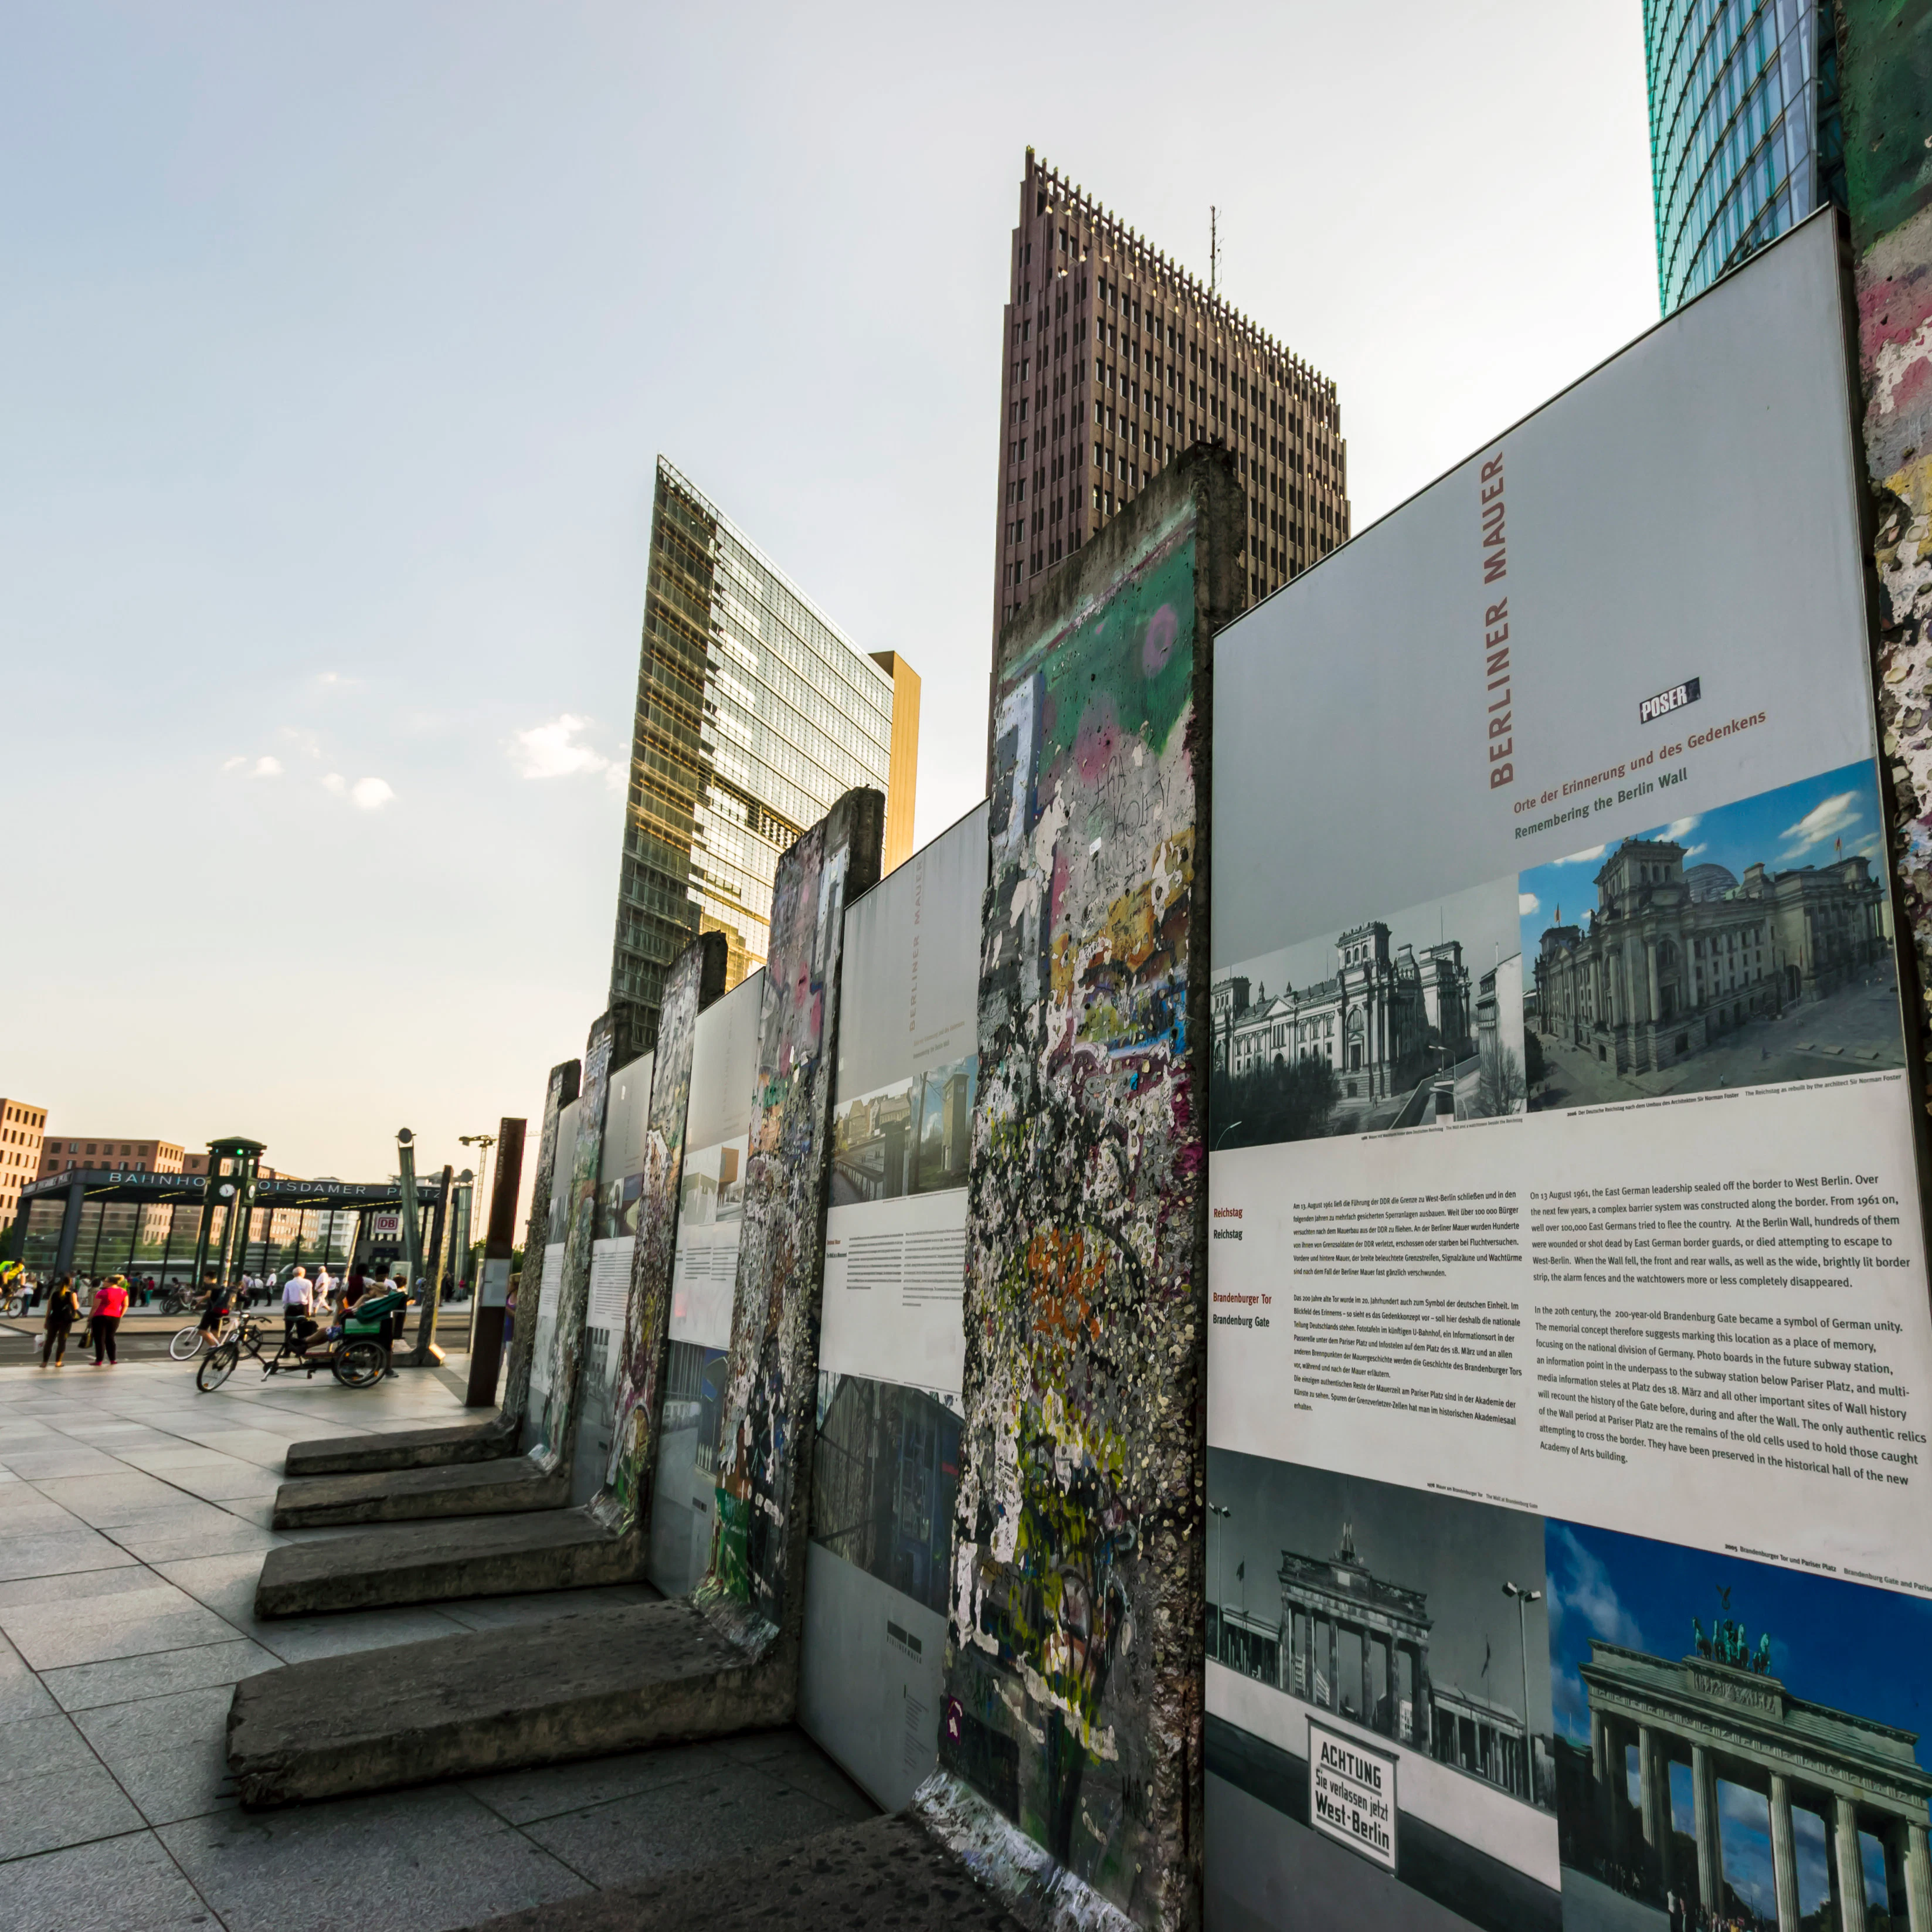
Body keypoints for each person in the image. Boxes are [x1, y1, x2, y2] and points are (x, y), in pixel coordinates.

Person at [40, 1275, 79, 1368]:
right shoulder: (72, 1294)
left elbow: (49, 1310)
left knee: (49, 1341)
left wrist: (46, 1321)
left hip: (53, 1319)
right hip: (65, 1321)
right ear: (70, 1283)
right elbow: (76, 1307)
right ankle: (58, 1362)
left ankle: (44, 1363)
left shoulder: (54, 1294)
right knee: (62, 1341)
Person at [90, 1274, 128, 1366]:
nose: (103, 1283)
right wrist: (120, 1315)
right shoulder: (123, 1292)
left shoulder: (101, 1292)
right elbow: (126, 1305)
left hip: (100, 1316)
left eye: (106, 1281)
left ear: (111, 1283)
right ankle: (113, 1359)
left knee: (100, 1339)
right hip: (115, 1317)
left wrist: (90, 1317)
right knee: (110, 1338)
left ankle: (99, 1360)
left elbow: (95, 1307)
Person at [196, 1268, 231, 1347]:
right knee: (214, 1331)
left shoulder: (210, 1286)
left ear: (208, 1278)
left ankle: (213, 1347)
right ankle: (216, 1347)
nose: (204, 1280)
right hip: (218, 1311)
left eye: (205, 1278)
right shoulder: (217, 1286)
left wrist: (198, 1302)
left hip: (211, 1311)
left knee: (202, 1331)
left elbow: (208, 1295)